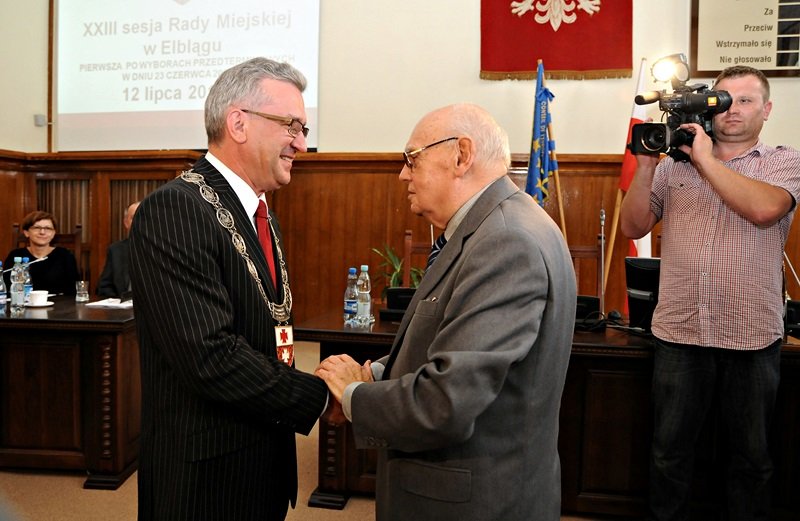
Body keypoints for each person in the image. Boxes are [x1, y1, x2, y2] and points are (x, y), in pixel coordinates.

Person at [316, 104, 577, 521]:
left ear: (461, 155)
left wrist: (354, 395)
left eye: (412, 158)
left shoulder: (506, 242)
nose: (403, 174)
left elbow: (446, 401)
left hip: (475, 501)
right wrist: (379, 373)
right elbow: (451, 340)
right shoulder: (491, 227)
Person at [129, 58, 343, 521]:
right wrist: (322, 398)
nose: (302, 144)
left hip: (261, 462)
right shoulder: (175, 210)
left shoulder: (259, 209)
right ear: (239, 123)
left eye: (303, 128)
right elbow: (210, 357)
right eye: (292, 126)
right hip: (207, 481)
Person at [620, 65, 800, 521]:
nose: (733, 110)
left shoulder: (782, 161)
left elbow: (764, 209)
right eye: (723, 100)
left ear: (767, 109)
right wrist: (644, 169)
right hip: (679, 333)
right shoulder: (673, 169)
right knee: (669, 459)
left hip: (752, 338)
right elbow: (633, 225)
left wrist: (705, 160)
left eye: (746, 100)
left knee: (751, 462)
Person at [3, 210, 79, 295]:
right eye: (37, 228)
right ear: (26, 232)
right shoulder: (16, 256)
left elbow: (74, 291)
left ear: (53, 233)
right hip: (23, 305)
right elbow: (6, 289)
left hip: (58, 306)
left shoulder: (65, 256)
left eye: (48, 228)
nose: (42, 232)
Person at [96, 201, 139, 297]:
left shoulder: (160, 248)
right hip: (121, 306)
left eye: (142, 217)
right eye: (133, 217)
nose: (138, 221)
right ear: (126, 223)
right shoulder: (116, 250)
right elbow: (104, 287)